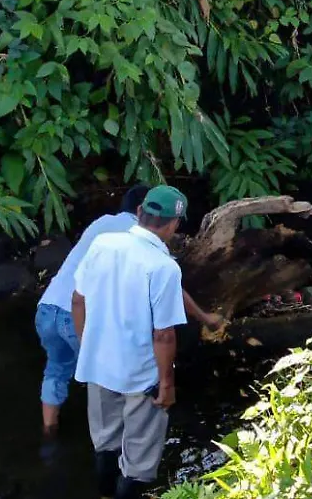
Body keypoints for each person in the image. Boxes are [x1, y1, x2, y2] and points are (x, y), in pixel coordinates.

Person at [33, 184, 223, 445]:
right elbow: (171, 291)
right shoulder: (136, 239)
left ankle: (49, 430)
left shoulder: (103, 224)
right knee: (108, 380)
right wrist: (204, 317)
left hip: (47, 309)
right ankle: (116, 442)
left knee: (56, 369)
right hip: (75, 315)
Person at [71, 185, 190, 499]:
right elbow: (163, 334)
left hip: (98, 366)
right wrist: (167, 384)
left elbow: (78, 301)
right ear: (174, 224)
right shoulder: (164, 267)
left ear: (139, 213)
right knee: (137, 461)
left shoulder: (102, 243)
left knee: (106, 442)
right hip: (140, 375)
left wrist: (88, 348)